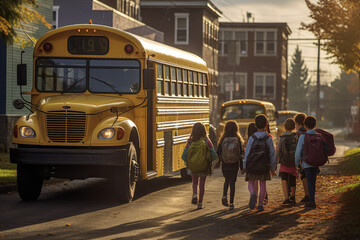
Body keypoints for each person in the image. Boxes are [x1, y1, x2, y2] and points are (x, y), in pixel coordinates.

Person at [242, 114, 276, 212]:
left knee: (251, 182)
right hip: (264, 166)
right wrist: (272, 168)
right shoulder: (268, 139)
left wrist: (244, 166)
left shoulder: (252, 138)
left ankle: (253, 194)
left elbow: (247, 153)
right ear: (266, 125)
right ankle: (261, 204)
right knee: (263, 184)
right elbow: (272, 155)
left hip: (252, 165)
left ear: (255, 125)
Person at [181, 122, 218, 209]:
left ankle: (194, 194)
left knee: (194, 182)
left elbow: (184, 155)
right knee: (202, 185)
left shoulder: (190, 141)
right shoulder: (206, 140)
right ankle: (200, 204)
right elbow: (214, 155)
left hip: (193, 166)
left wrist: (190, 162)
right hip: (204, 166)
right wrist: (209, 162)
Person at [217, 121, 244, 210]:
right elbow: (240, 154)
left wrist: (220, 161)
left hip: (225, 164)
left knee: (226, 180)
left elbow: (218, 152)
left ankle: (224, 195)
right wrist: (241, 167)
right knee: (232, 183)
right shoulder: (237, 139)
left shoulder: (223, 139)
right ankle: (231, 203)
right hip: (234, 164)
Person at [295, 115, 319, 209]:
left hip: (307, 163)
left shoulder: (303, 136)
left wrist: (297, 163)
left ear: (305, 125)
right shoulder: (317, 135)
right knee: (313, 181)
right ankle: (312, 200)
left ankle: (311, 202)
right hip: (316, 162)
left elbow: (298, 152)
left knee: (309, 181)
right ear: (315, 125)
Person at [276, 118, 297, 205]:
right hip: (293, 162)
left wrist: (275, 163)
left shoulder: (281, 138)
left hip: (284, 162)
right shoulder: (296, 137)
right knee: (292, 178)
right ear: (294, 126)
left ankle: (286, 198)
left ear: (284, 127)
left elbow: (278, 151)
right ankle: (293, 196)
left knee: (284, 179)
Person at [294, 113, 309, 203]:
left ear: (297, 123)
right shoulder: (308, 131)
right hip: (311, 156)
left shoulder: (298, 133)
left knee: (304, 177)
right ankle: (310, 195)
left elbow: (297, 147)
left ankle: (307, 195)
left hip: (303, 159)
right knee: (309, 177)